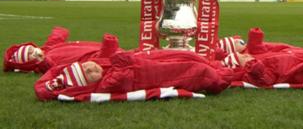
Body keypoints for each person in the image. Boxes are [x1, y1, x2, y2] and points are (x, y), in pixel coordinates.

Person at [34, 49, 249, 101]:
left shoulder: (106, 72)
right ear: (88, 84)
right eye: (88, 74)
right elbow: (122, 64)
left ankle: (229, 68)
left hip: (156, 66)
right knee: (200, 72)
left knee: (190, 59)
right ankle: (233, 73)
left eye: (88, 66)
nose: (93, 69)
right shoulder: (105, 85)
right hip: (161, 76)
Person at [3, 27, 123, 73]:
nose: (33, 51)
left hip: (94, 49)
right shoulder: (43, 62)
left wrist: (58, 32)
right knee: (107, 59)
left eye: (30, 48)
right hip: (98, 57)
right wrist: (42, 61)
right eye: (29, 54)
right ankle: (111, 49)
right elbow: (51, 68)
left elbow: (57, 37)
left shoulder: (47, 49)